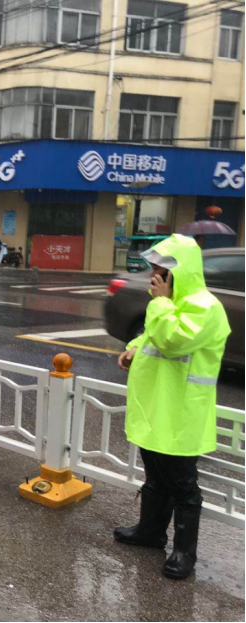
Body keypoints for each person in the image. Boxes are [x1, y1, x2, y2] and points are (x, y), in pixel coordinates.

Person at [114, 234, 230, 580]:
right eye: (153, 269)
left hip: (180, 413)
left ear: (180, 272)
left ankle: (184, 553)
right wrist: (134, 347)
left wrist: (160, 303)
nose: (154, 276)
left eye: (161, 270)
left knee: (182, 486)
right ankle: (150, 533)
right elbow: (152, 337)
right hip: (155, 408)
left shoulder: (205, 307)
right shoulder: (171, 303)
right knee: (155, 478)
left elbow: (173, 339)